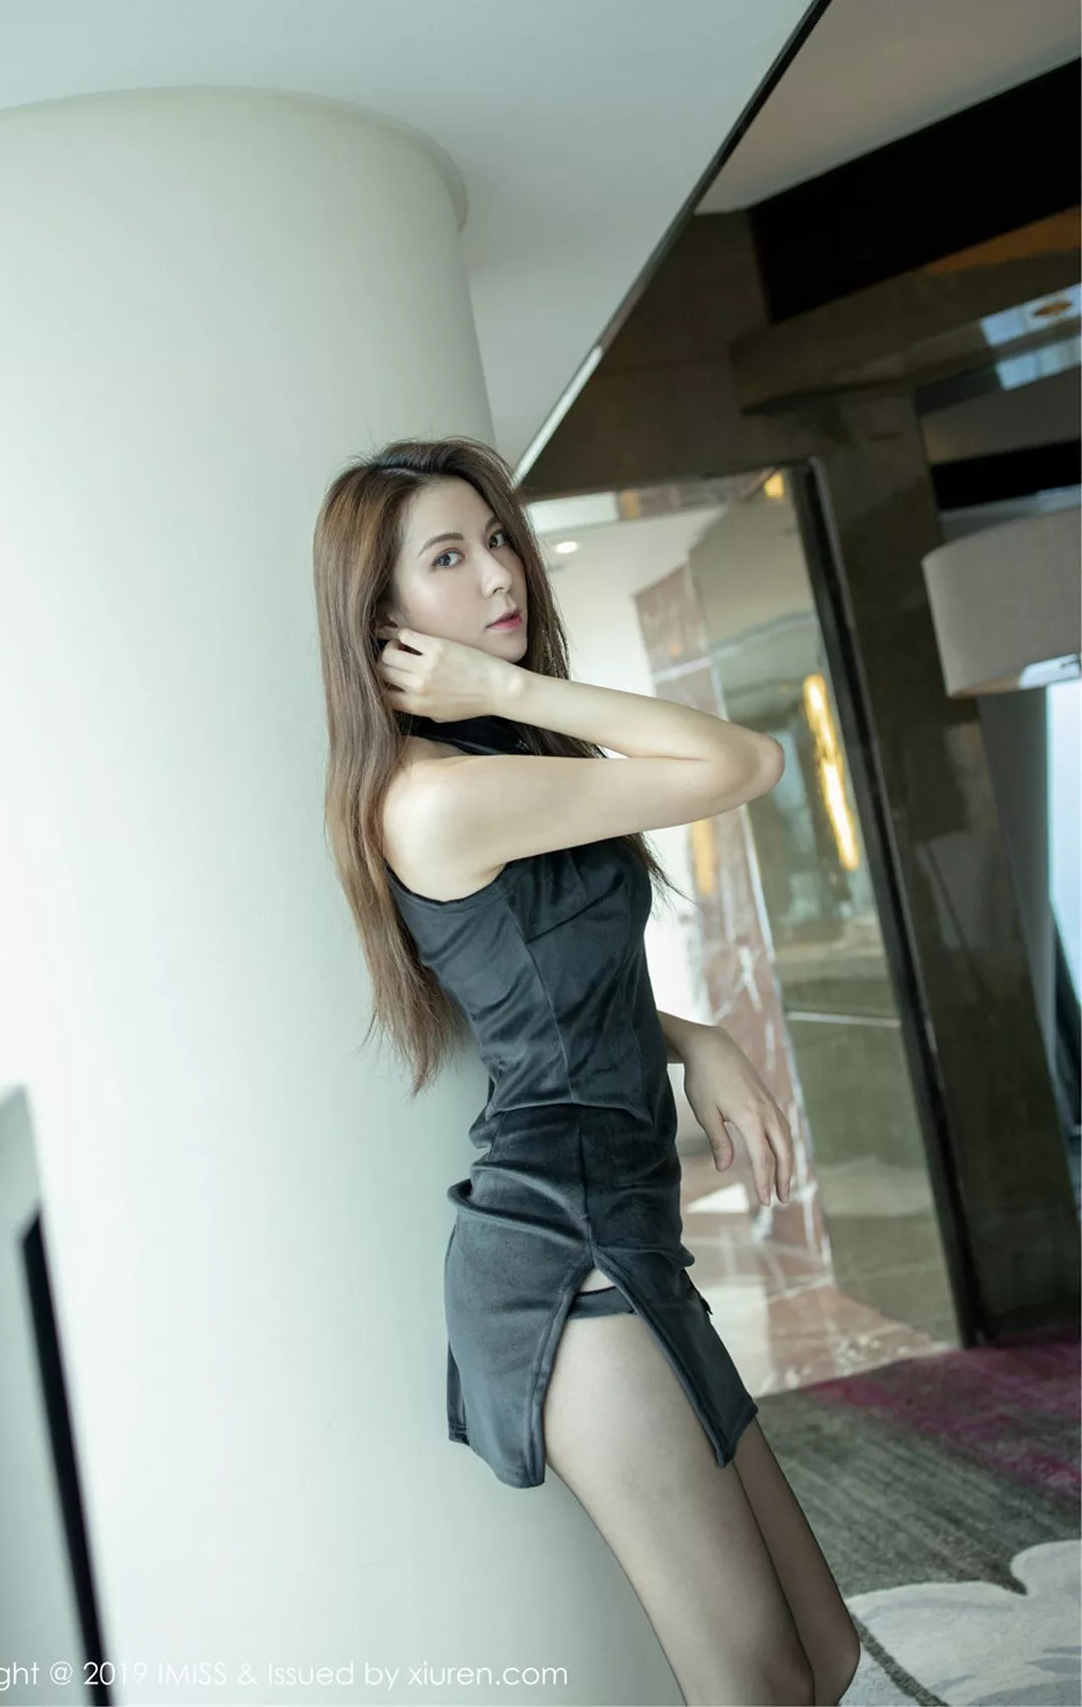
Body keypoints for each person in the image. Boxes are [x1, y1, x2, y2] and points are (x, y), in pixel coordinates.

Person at [312, 435, 861, 1706]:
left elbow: (549, 994)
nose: (500, 572)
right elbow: (745, 764)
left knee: (822, 1653)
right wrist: (504, 685)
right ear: (384, 623)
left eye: (499, 539)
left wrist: (696, 1037)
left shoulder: (491, 768)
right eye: (450, 559)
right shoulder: (433, 795)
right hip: (565, 1260)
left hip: (627, 1232)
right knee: (760, 1684)